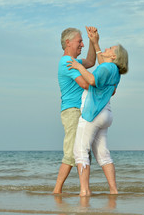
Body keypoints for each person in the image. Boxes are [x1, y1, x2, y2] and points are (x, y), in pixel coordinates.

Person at [67, 29, 128, 196]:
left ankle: (84, 191)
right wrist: (95, 43)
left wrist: (79, 66)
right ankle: (114, 191)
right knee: (103, 155)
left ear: (114, 57)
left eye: (110, 49)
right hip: (106, 114)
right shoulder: (113, 70)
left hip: (92, 114)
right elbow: (102, 63)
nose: (106, 50)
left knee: (80, 151)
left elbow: (92, 80)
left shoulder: (107, 67)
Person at [53, 27, 97, 194]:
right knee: (72, 151)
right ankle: (57, 191)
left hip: (81, 111)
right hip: (72, 111)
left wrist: (93, 41)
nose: (82, 44)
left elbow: (91, 62)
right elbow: (85, 83)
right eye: (80, 41)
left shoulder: (76, 63)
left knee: (83, 152)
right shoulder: (67, 63)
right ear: (68, 42)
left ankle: (84, 190)